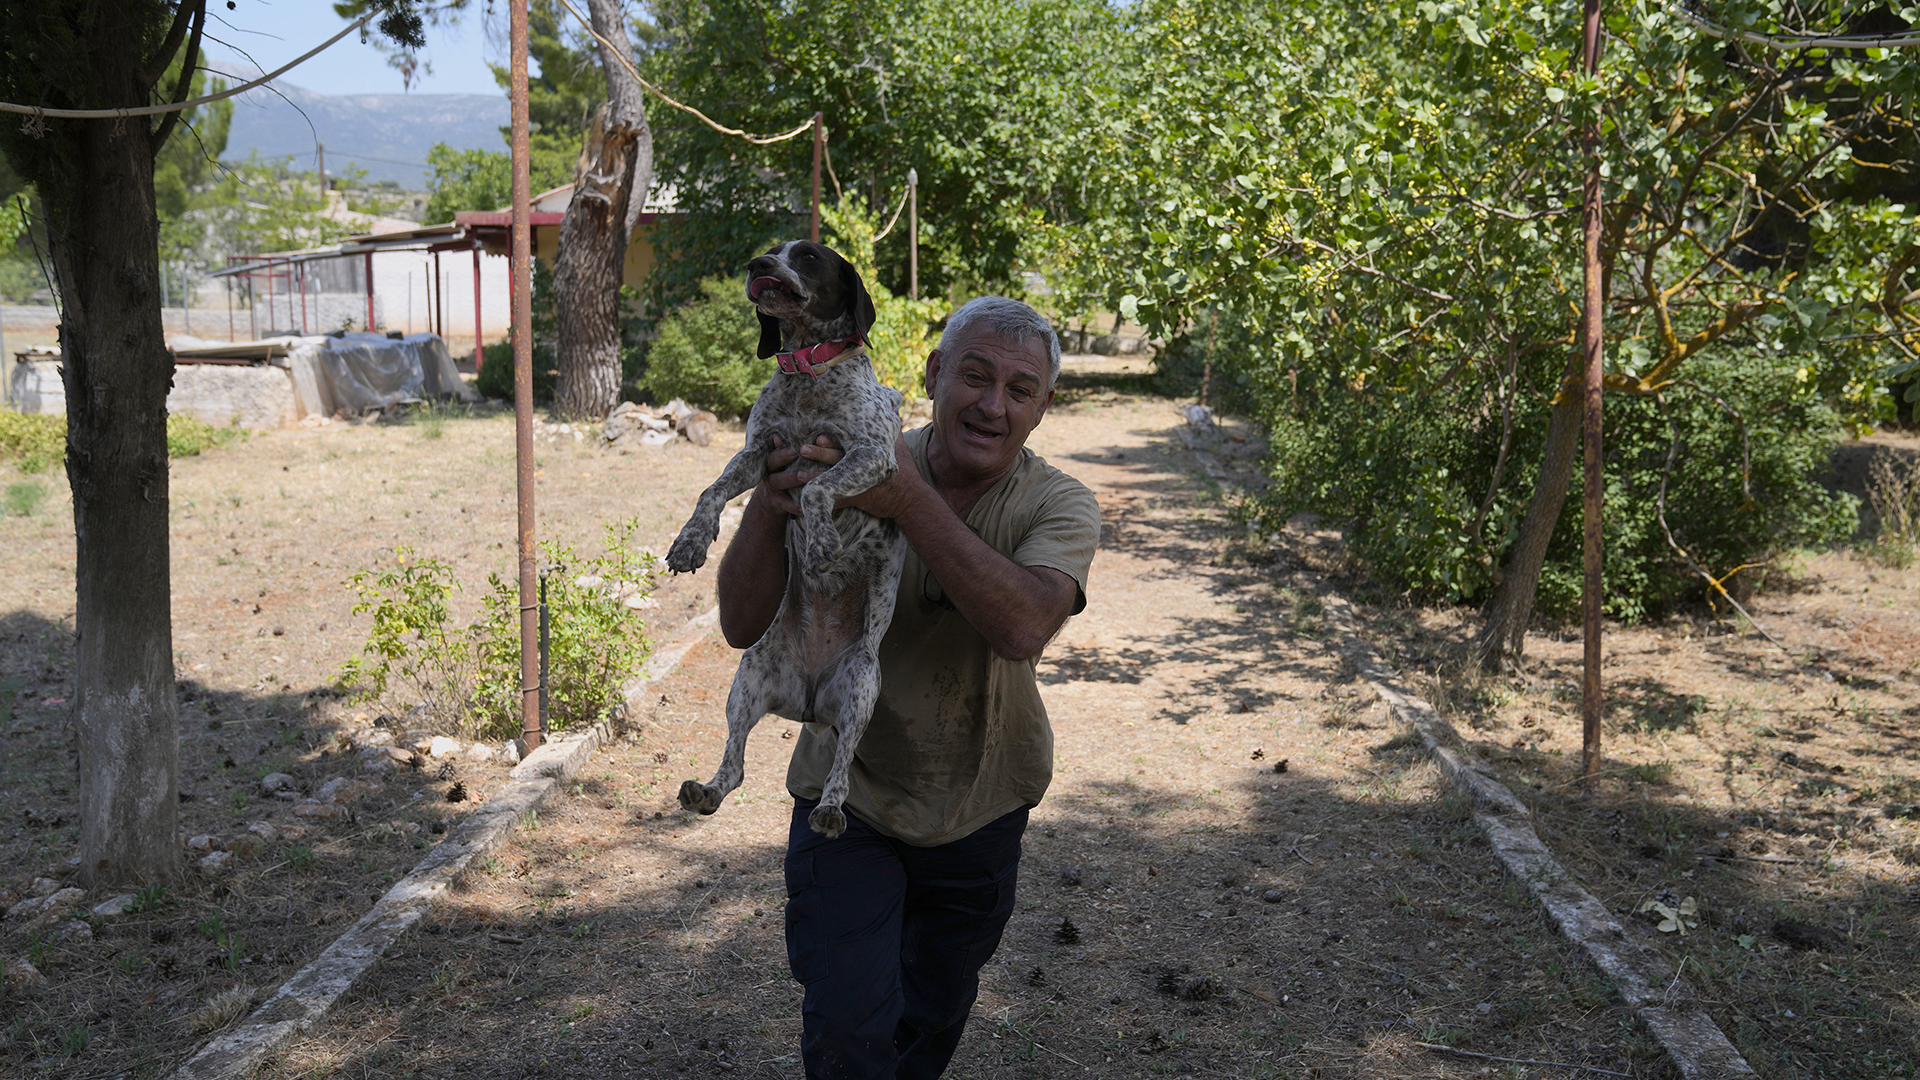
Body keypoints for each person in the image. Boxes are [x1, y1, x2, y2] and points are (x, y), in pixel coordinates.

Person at [714, 295, 1100, 1080]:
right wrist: (767, 506)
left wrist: (905, 498)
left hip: (982, 800)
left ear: (1043, 407)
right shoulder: (845, 459)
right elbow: (739, 622)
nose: (993, 406)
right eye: (975, 377)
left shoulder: (1058, 503)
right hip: (847, 799)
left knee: (929, 1017)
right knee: (848, 1028)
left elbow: (1025, 627)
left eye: (1020, 389)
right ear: (933, 375)